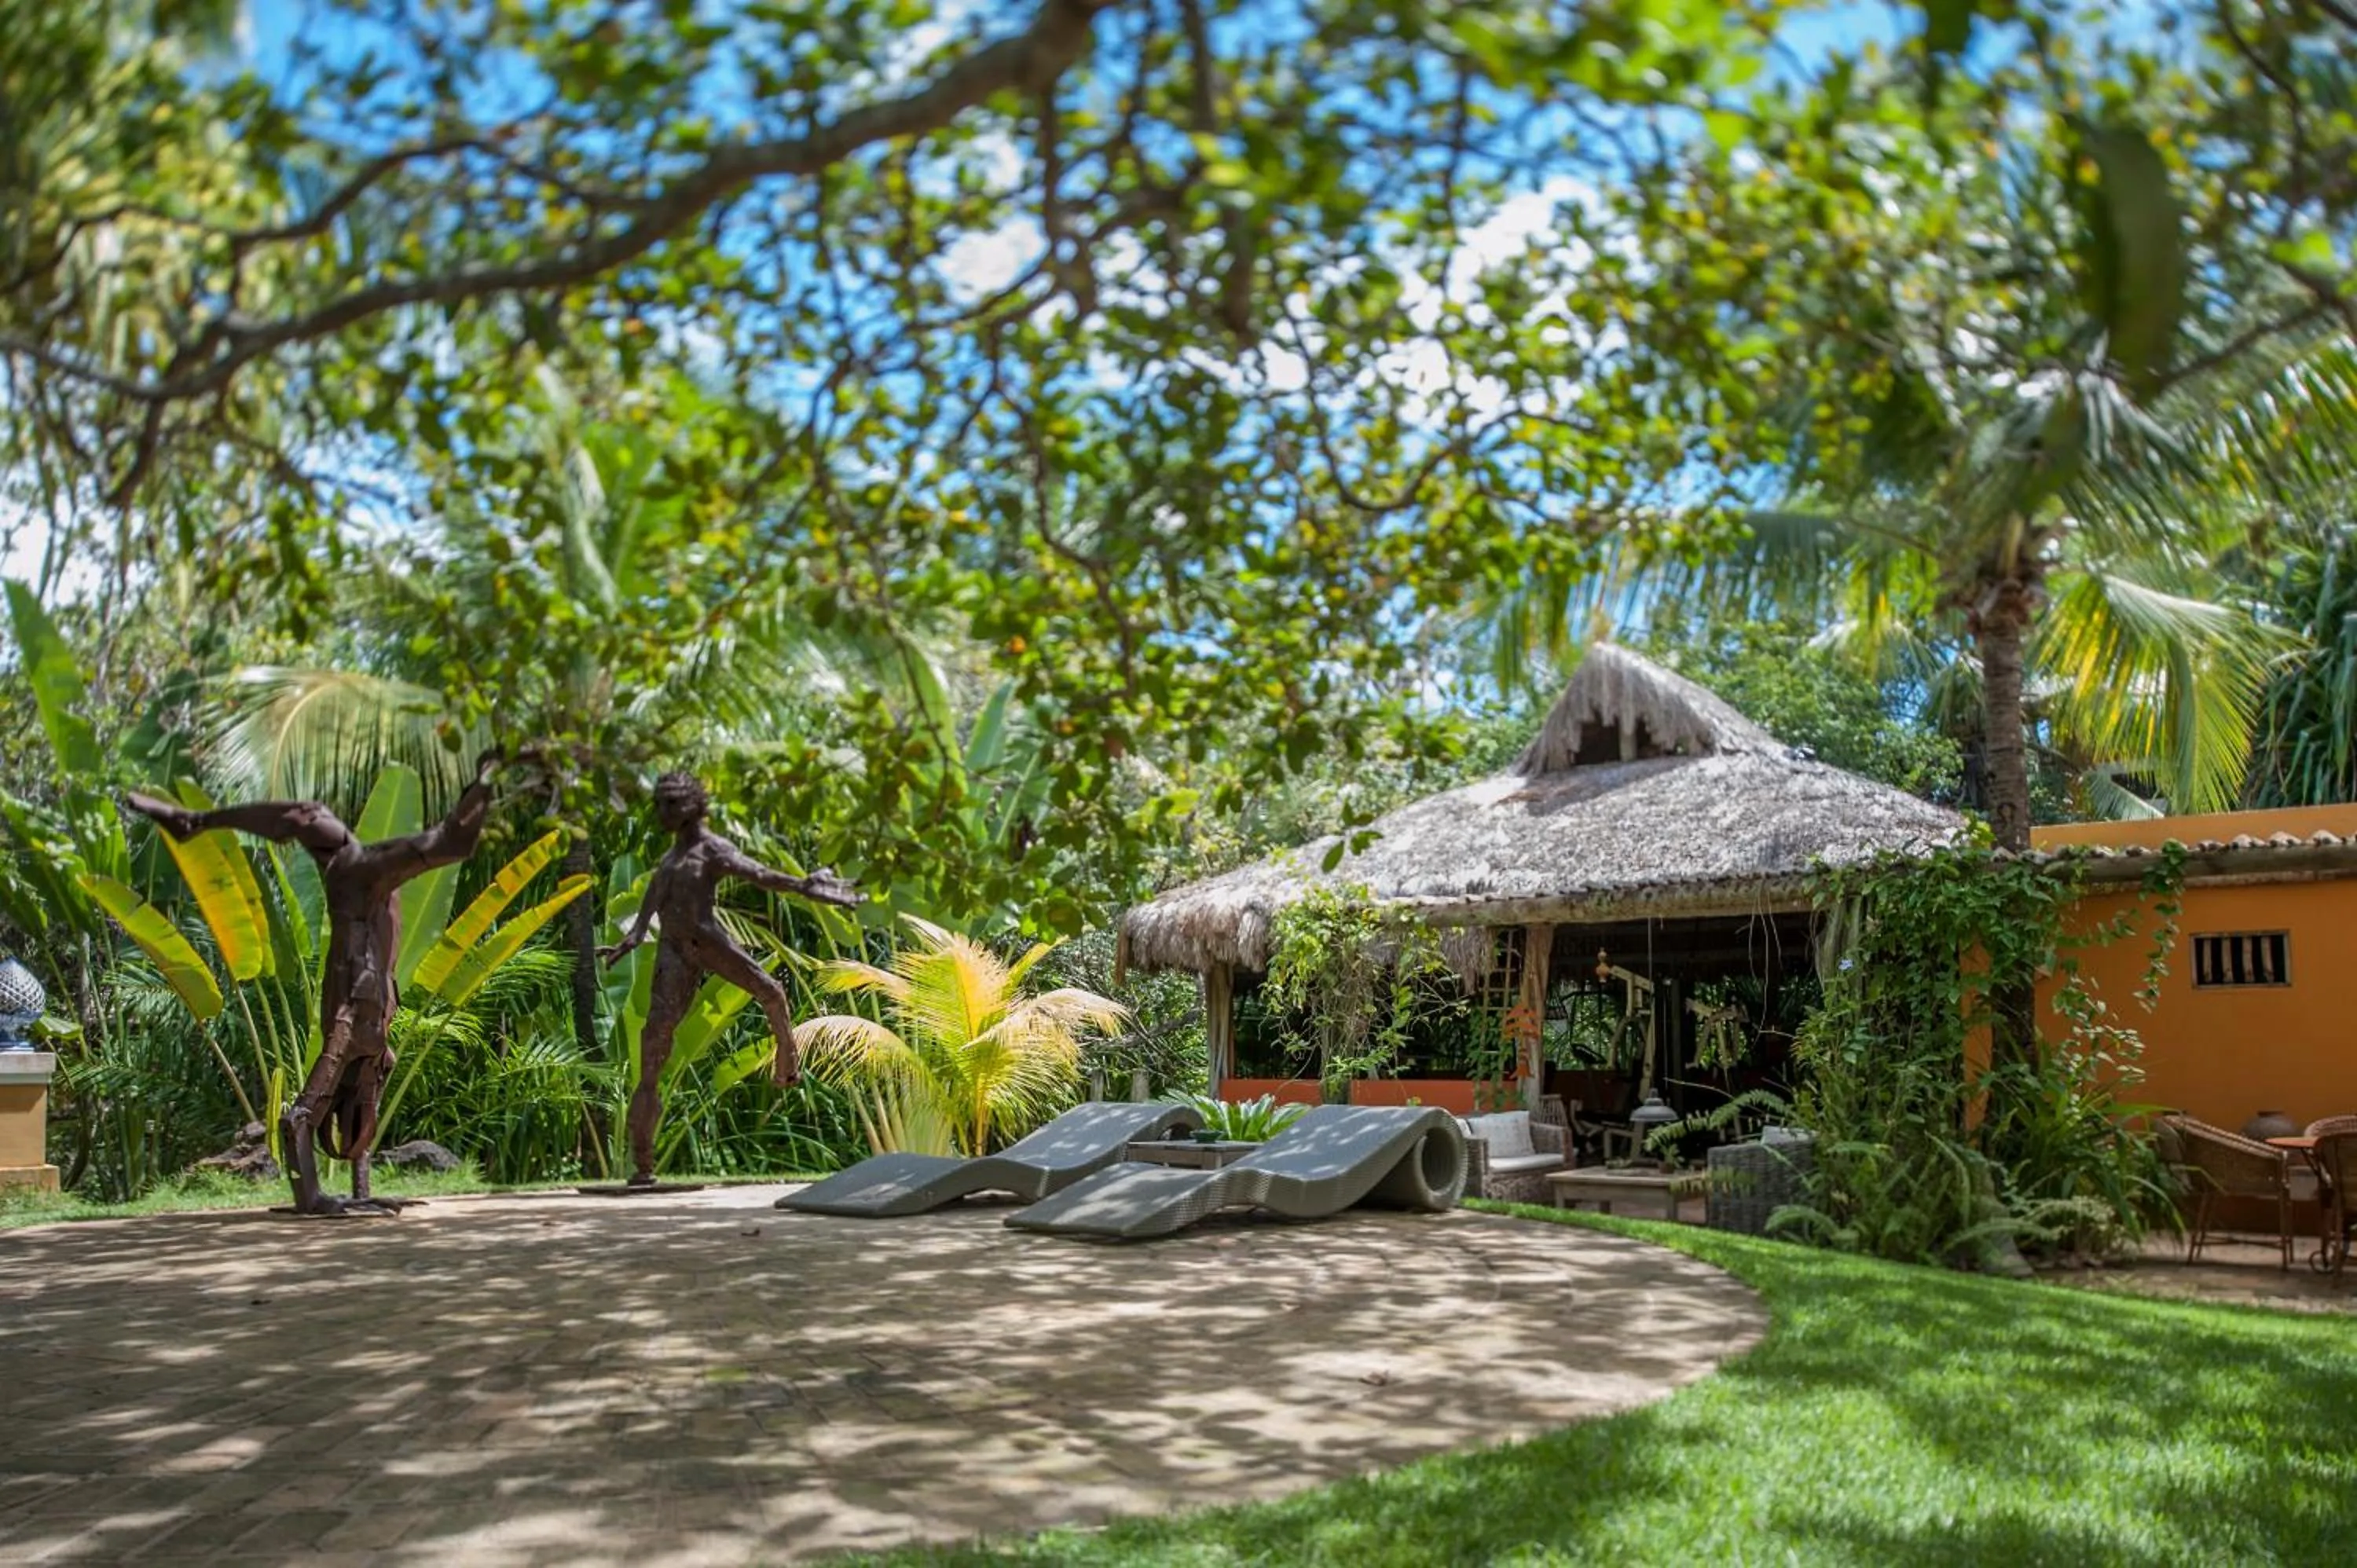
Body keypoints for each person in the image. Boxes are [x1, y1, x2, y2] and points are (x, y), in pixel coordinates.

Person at [122, 752, 508, 1215]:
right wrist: (316, 1200)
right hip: (357, 962)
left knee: (315, 818)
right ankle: (195, 822)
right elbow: (298, 1120)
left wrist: (360, 1197)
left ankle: (195, 823)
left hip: (360, 955)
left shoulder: (374, 1053)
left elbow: (330, 1118)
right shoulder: (362, 1040)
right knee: (372, 830)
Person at [600, 772, 860, 1186]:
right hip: (674, 950)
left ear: (692, 806)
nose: (662, 812)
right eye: (659, 804)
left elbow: (760, 875)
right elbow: (650, 906)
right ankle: (643, 1164)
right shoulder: (670, 859)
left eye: (671, 804)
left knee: (771, 992)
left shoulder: (712, 850)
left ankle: (787, 1057)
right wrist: (630, 940)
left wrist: (804, 886)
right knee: (653, 1047)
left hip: (707, 941)